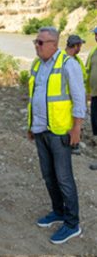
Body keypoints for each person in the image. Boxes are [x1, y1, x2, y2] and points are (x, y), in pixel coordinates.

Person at [28, 26, 86, 245]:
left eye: (40, 42)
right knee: (48, 175)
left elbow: (79, 98)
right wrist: (31, 124)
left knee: (64, 178)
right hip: (41, 129)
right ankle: (58, 211)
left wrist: (76, 128)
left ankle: (72, 224)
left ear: (53, 44)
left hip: (60, 131)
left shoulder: (68, 64)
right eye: (36, 41)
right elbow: (34, 96)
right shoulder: (37, 64)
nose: (37, 45)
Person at [64, 34, 86, 154]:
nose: (81, 48)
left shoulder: (59, 59)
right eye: (80, 45)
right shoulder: (71, 63)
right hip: (70, 103)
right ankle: (73, 144)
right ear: (76, 46)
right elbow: (77, 93)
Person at [87, 27, 97, 171]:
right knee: (95, 126)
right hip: (94, 96)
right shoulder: (93, 52)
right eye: (95, 34)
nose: (95, 37)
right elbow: (87, 71)